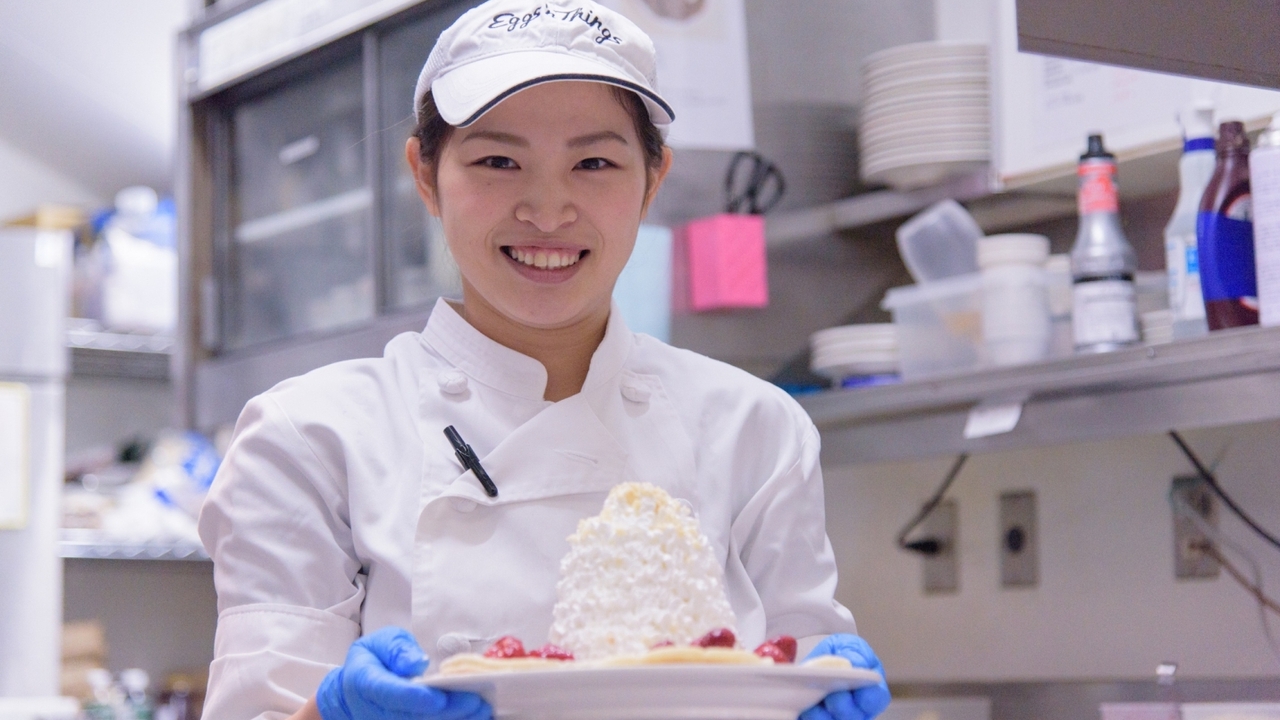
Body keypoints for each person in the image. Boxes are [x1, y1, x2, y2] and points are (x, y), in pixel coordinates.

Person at [198, 2, 892, 719]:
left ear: (652, 181)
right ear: (425, 176)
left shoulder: (755, 429)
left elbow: (800, 674)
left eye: (594, 163)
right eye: (498, 161)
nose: (548, 210)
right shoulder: (310, 437)